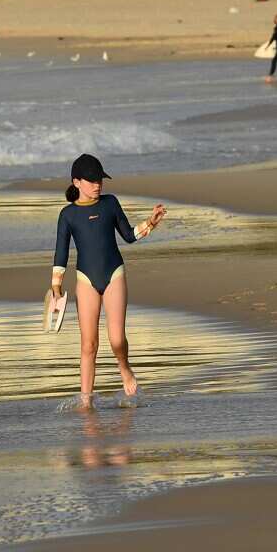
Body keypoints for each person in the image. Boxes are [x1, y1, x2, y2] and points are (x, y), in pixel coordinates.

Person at [51, 154, 167, 410]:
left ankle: (124, 367)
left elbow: (127, 235)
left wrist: (150, 223)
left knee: (116, 340)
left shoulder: (110, 204)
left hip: (114, 273)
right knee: (88, 344)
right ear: (77, 182)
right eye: (92, 180)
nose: (98, 185)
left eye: (100, 179)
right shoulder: (67, 215)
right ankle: (85, 402)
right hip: (85, 279)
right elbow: (61, 252)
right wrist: (56, 286)